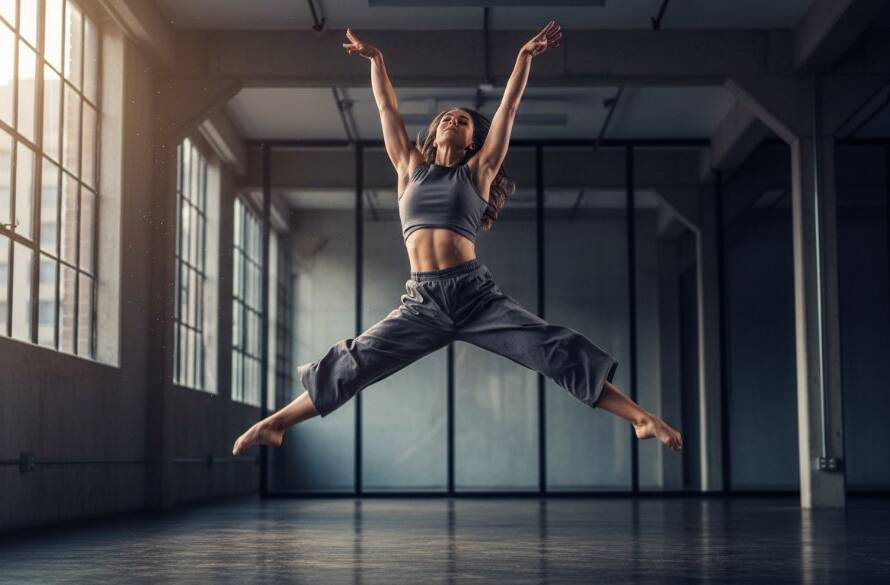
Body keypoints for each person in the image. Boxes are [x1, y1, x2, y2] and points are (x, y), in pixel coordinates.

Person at [233, 21, 683, 456]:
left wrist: (524, 58)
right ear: (432, 136)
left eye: (463, 120)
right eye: (448, 117)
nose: (453, 119)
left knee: (554, 348)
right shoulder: (410, 168)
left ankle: (641, 418)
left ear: (471, 142)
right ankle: (276, 424)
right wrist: (377, 60)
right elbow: (387, 110)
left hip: (473, 295)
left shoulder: (478, 173)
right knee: (357, 360)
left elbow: (508, 110)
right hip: (422, 302)